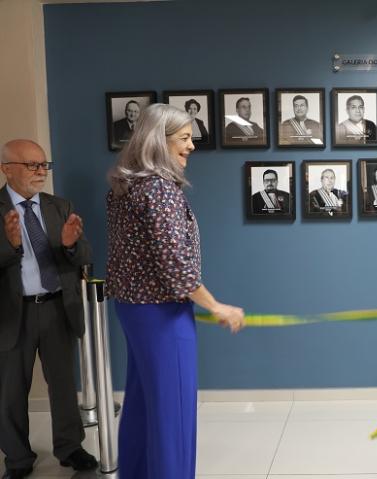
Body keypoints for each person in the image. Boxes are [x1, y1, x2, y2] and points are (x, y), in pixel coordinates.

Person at [106, 103, 245, 479]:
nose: (192, 146)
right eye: (184, 138)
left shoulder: (125, 186)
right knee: (173, 412)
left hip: (133, 309)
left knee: (142, 404)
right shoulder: (160, 191)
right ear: (157, 141)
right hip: (163, 314)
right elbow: (177, 269)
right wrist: (218, 307)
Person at [0, 140, 97, 478]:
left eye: (44, 165)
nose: (41, 172)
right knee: (10, 390)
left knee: (63, 385)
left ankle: (70, 448)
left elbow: (84, 258)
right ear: (7, 169)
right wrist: (10, 247)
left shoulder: (60, 207)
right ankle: (17, 460)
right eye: (32, 165)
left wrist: (71, 246)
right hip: (13, 315)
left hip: (57, 307)